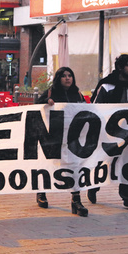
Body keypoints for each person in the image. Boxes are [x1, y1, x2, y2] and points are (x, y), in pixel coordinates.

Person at [35, 67, 88, 216]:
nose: (67, 78)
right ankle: (41, 192)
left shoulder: (77, 93)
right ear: (59, 78)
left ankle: (76, 200)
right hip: (54, 137)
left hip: (72, 138)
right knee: (48, 165)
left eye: (70, 75)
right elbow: (36, 106)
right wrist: (46, 101)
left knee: (75, 167)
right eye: (64, 76)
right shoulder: (51, 92)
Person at [88, 54, 128, 210]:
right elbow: (95, 108)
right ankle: (93, 185)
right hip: (109, 132)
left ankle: (127, 198)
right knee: (104, 161)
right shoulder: (107, 86)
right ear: (120, 67)